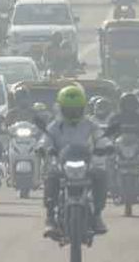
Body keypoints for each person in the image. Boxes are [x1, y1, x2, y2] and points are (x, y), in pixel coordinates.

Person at [38, 86, 109, 236]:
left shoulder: (90, 124)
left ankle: (97, 215)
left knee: (101, 176)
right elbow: (45, 140)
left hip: (86, 164)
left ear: (83, 109)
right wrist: (43, 148)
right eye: (68, 110)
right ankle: (50, 218)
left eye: (76, 110)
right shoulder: (54, 126)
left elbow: (101, 137)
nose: (72, 113)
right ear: (60, 108)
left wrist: (106, 146)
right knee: (51, 178)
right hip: (61, 165)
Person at [109, 92, 139, 202]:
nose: (129, 107)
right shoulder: (116, 118)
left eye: (131, 104)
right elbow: (109, 133)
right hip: (119, 148)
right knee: (108, 161)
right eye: (127, 104)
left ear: (136, 105)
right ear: (122, 105)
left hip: (138, 149)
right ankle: (113, 188)